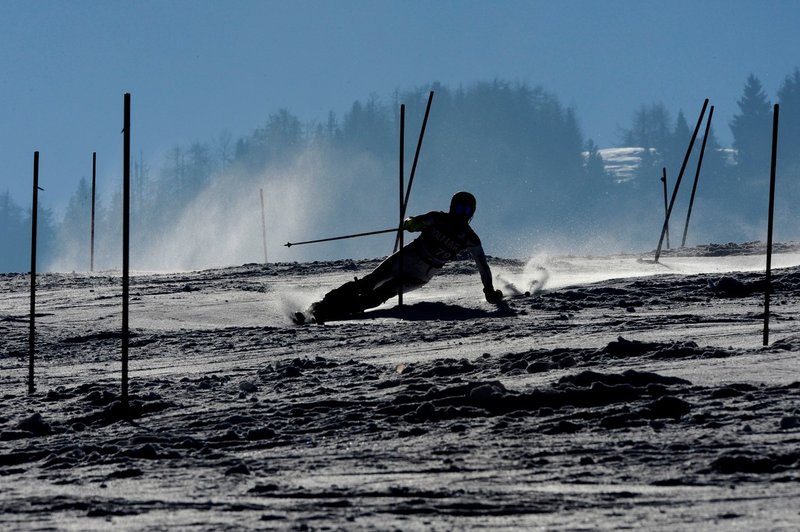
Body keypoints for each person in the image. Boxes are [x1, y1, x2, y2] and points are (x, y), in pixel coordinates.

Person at [297, 191, 503, 324]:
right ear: (452, 207)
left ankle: (332, 314)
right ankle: (317, 307)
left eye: (466, 210)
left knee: (378, 296)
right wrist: (411, 223)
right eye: (459, 208)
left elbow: (482, 265)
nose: (462, 213)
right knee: (367, 283)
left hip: (419, 275)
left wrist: (488, 289)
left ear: (472, 213)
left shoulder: (470, 238)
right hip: (406, 257)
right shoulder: (437, 218)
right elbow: (415, 220)